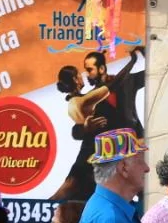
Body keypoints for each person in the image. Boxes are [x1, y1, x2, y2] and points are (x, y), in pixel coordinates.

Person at [54, 46, 145, 201]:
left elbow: (151, 75)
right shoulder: (90, 97)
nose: (86, 75)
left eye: (89, 70)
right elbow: (76, 131)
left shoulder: (128, 81)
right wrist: (85, 129)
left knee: (142, 191)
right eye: (84, 71)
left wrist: (146, 54)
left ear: (101, 68)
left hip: (132, 145)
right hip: (106, 154)